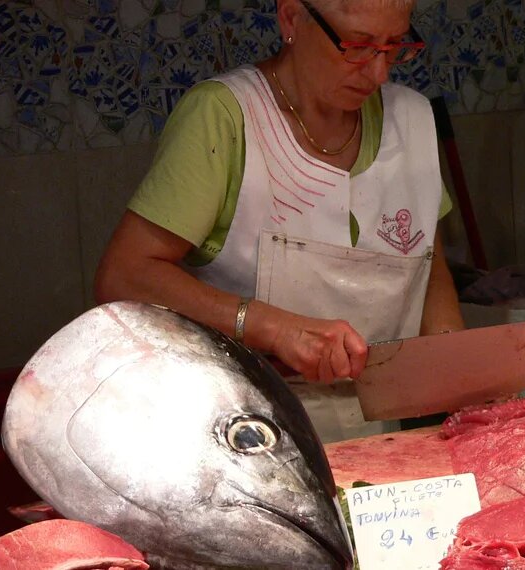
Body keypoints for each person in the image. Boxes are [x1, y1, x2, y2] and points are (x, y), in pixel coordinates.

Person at [94, 0, 464, 441]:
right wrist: (275, 328)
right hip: (242, 439)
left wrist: (456, 374)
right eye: (357, 46)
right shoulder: (226, 116)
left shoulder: (413, 121)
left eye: (393, 47)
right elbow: (124, 275)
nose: (378, 72)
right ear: (291, 19)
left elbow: (429, 267)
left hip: (379, 437)